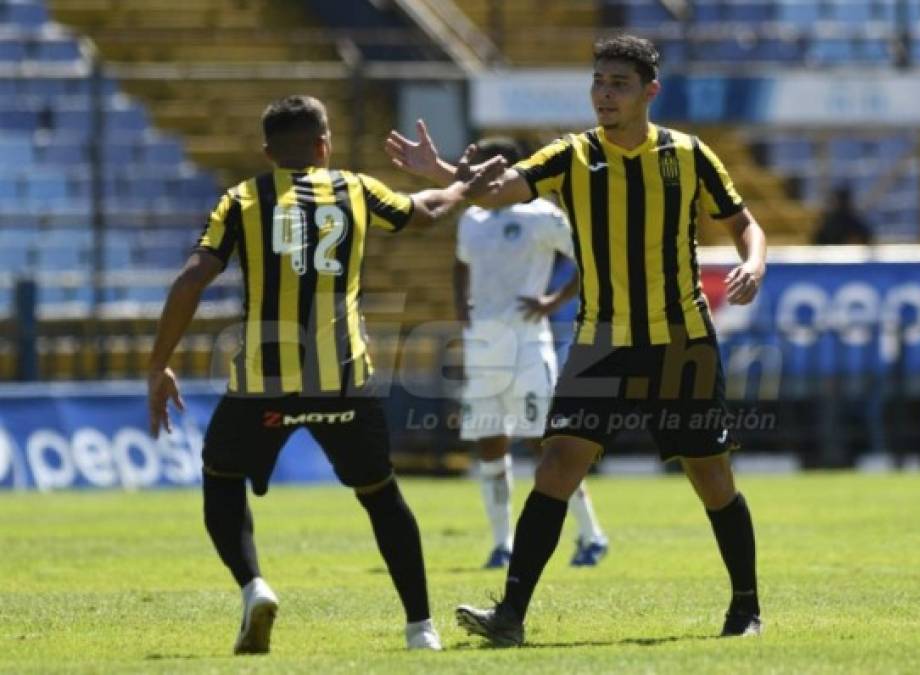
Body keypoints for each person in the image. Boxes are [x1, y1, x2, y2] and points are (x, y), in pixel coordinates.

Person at [386, 34, 767, 646]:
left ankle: (746, 606)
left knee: (710, 476)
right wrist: (446, 174)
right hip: (603, 341)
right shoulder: (571, 154)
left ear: (650, 91)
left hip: (682, 341)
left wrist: (754, 263)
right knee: (558, 465)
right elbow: (500, 187)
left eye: (618, 84)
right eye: (598, 82)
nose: (604, 94)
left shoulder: (689, 155)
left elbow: (746, 224)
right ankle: (509, 616)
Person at [146, 95, 503, 654]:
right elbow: (428, 210)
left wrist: (158, 364)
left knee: (220, 477)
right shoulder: (355, 188)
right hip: (344, 379)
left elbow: (192, 279)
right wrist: (464, 184)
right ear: (324, 144)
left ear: (267, 153)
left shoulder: (241, 200)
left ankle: (254, 587)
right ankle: (420, 629)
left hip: (263, 383)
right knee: (382, 496)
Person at [454, 136, 609, 570]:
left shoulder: (540, 214)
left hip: (526, 342)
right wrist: (459, 306)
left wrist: (553, 301)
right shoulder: (472, 218)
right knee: (489, 443)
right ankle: (502, 543)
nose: (481, 178)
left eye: (489, 169)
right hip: (482, 342)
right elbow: (460, 263)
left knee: (546, 444)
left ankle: (591, 535)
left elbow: (591, 258)